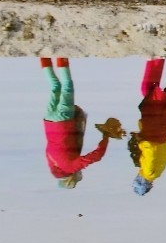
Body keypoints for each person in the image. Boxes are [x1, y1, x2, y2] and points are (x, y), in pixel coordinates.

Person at [40, 56, 123, 187]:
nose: (79, 174)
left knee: (67, 86)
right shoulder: (52, 163)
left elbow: (96, 156)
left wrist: (105, 138)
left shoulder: (70, 167)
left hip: (63, 122)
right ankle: (44, 57)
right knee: (55, 86)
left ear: (70, 178)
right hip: (49, 121)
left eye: (77, 178)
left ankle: (62, 56)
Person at [129, 58, 166, 195]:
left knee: (154, 93)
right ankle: (155, 59)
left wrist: (163, 139)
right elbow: (150, 150)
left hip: (163, 129)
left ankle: (158, 60)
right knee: (147, 92)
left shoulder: (158, 172)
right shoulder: (149, 172)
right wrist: (140, 141)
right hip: (152, 130)